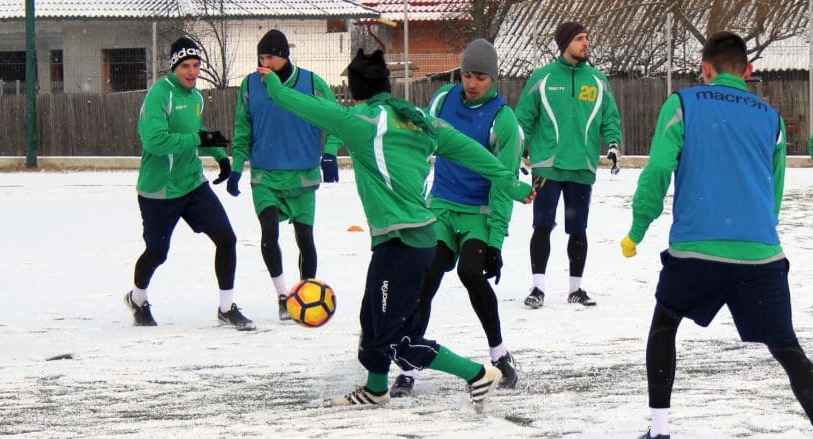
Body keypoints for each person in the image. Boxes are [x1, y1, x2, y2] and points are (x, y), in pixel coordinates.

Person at [260, 48, 534, 409]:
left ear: (357, 91)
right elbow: (474, 153)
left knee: (396, 337)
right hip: (404, 239)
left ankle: (477, 375)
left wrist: (276, 88)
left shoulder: (361, 123)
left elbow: (312, 109)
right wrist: (513, 184)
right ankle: (376, 389)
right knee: (371, 320)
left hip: (406, 241)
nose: (471, 82)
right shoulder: (419, 119)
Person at [623, 31, 813, 439]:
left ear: (706, 69)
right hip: (760, 255)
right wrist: (757, 231)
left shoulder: (683, 104)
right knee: (786, 347)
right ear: (747, 71)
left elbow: (657, 173)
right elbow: (773, 190)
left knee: (664, 326)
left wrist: (638, 228)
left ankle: (659, 430)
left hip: (696, 253)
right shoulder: (771, 118)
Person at [390, 39, 523, 397]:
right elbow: (416, 142)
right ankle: (407, 365)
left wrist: (495, 242)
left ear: (492, 78)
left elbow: (505, 182)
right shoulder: (442, 101)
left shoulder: (503, 119)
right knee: (426, 276)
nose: (472, 83)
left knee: (470, 273)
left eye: (480, 76)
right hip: (442, 208)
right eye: (466, 75)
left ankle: (500, 355)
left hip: (479, 213)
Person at [125, 36, 254, 331]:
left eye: (196, 65)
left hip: (193, 184)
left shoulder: (195, 96)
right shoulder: (160, 95)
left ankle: (226, 307)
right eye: (186, 65)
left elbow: (197, 130)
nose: (192, 72)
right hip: (159, 190)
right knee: (157, 252)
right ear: (173, 67)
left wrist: (221, 156)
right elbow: (155, 141)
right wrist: (197, 140)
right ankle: (138, 298)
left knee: (226, 239)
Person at [227, 29, 343, 320]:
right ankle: (282, 295)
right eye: (261, 57)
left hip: (303, 174)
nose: (264, 63)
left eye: (270, 57)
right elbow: (243, 130)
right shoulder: (251, 85)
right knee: (269, 232)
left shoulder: (311, 82)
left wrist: (330, 152)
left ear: (284, 56)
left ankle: (306, 292)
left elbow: (339, 119)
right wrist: (237, 167)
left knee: (305, 238)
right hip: (265, 175)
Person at [515, 21, 623, 309]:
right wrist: (516, 151)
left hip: (582, 166)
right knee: (542, 226)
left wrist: (613, 143)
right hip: (547, 166)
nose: (586, 43)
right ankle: (537, 288)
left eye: (587, 38)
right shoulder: (542, 78)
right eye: (579, 39)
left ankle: (576, 289)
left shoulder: (599, 80)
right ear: (564, 44)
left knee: (578, 229)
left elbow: (610, 118)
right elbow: (522, 119)